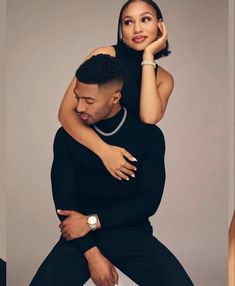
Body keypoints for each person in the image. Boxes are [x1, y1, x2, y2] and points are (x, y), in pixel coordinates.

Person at [29, 55, 193, 286]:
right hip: (81, 238)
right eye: (77, 97)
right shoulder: (66, 136)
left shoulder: (149, 137)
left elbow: (148, 201)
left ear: (115, 97)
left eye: (89, 100)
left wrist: (92, 221)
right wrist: (91, 252)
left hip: (130, 233)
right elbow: (64, 201)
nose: (79, 107)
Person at [58, 0, 174, 181]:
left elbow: (149, 117)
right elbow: (66, 113)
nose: (137, 29)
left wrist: (148, 56)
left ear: (160, 25)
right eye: (128, 22)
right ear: (121, 29)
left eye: (145, 19)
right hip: (89, 157)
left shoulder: (165, 79)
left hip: (127, 168)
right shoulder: (103, 56)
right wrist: (105, 152)